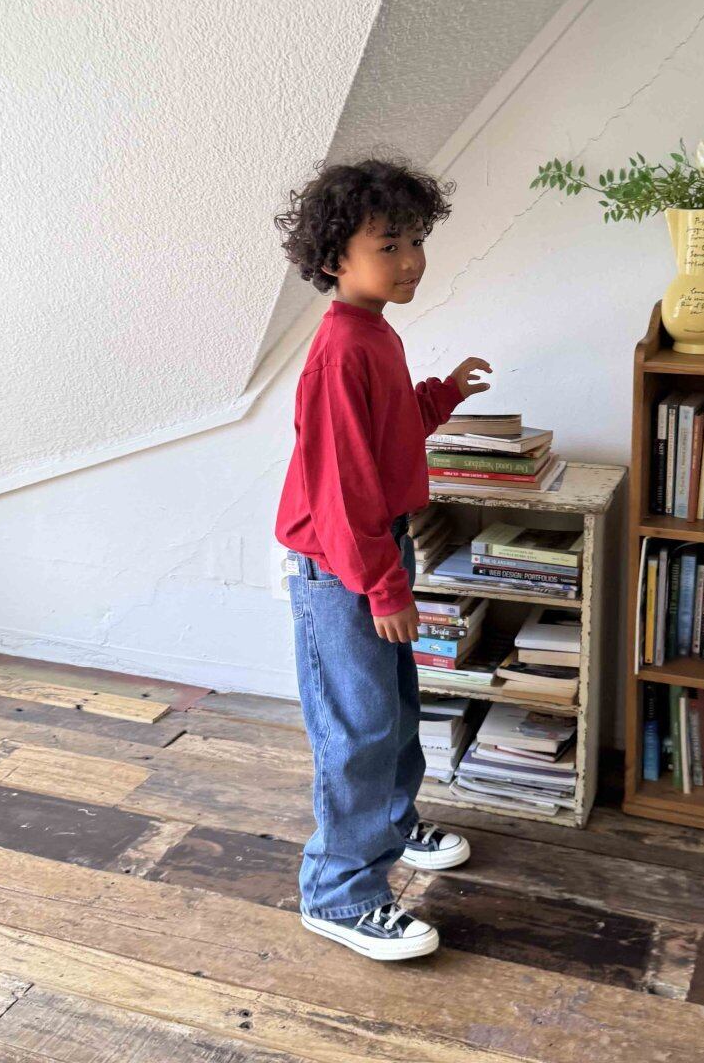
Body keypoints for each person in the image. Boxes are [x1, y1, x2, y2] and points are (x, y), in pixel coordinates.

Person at [273, 155, 492, 961]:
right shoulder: (340, 350)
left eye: (416, 241)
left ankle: (393, 828)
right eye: (389, 246)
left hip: (371, 551)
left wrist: (442, 393)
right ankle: (339, 892)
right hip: (341, 566)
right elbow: (342, 489)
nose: (411, 262)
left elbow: (387, 432)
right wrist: (381, 585)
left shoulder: (373, 332)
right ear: (335, 257)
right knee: (358, 729)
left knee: (393, 713)